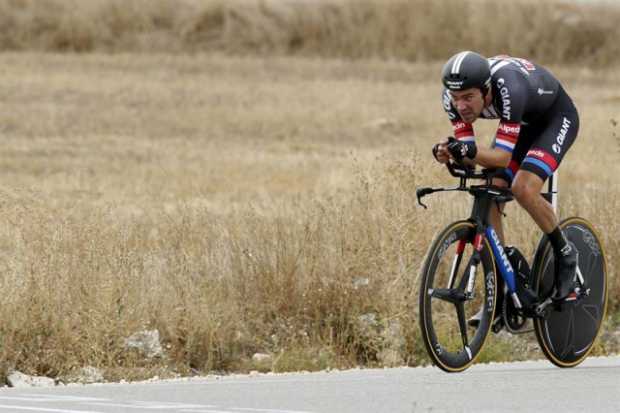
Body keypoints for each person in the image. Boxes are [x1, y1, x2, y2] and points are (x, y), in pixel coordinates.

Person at [432, 51, 579, 326]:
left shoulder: (507, 87)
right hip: (522, 125)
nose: (461, 105)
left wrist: (467, 150)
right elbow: (470, 155)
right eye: (456, 98)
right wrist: (450, 151)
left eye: (468, 98)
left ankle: (566, 253)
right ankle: (505, 281)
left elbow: (500, 157)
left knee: (523, 188)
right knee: (491, 191)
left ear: (486, 90)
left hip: (554, 118)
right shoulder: (451, 99)